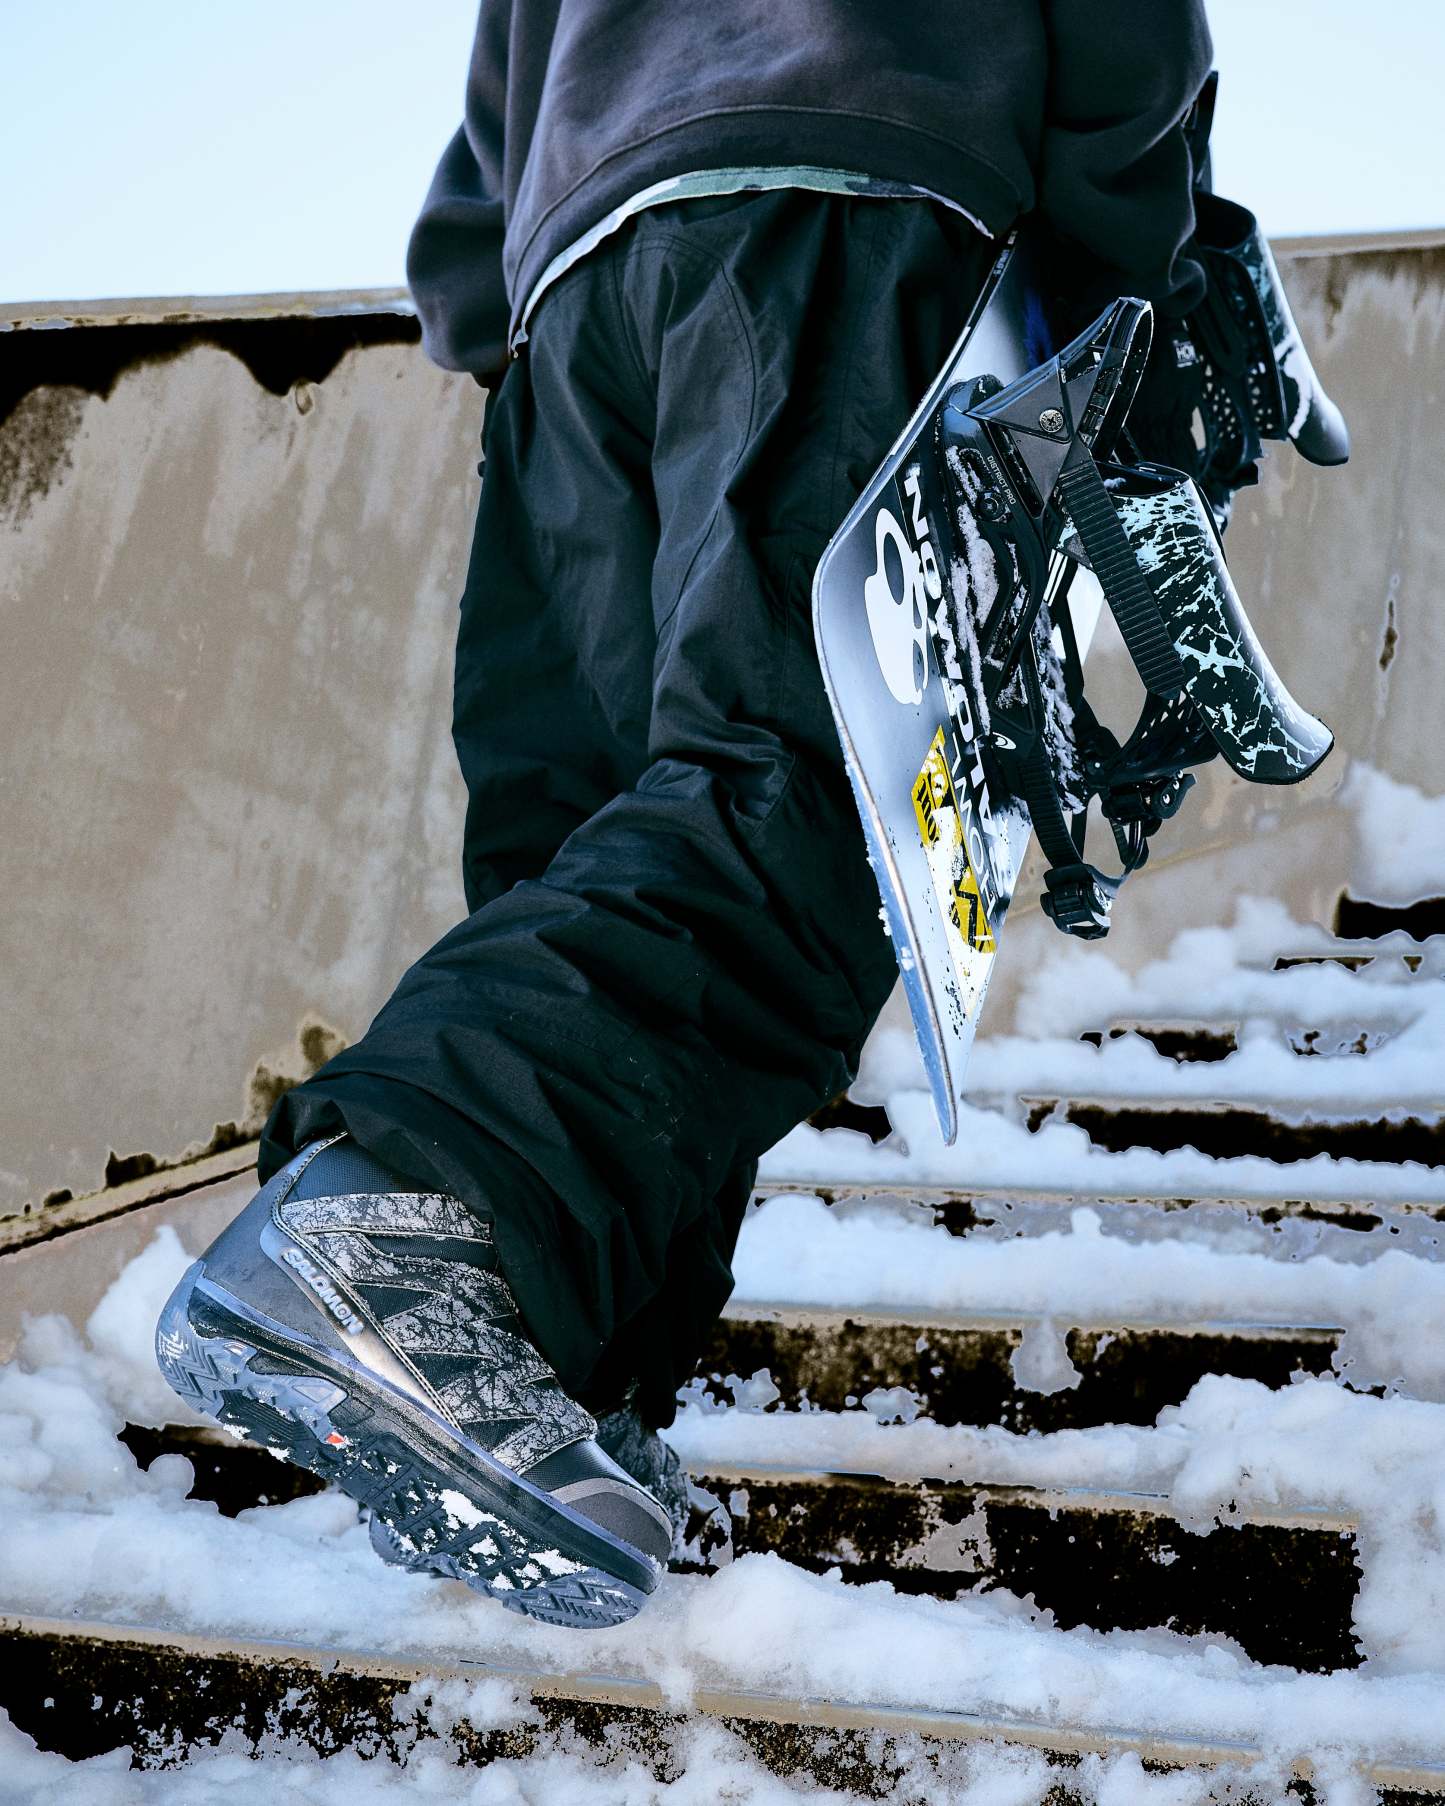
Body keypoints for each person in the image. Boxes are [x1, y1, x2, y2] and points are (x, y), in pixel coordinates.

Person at [156, 0, 1213, 1628]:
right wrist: (1111, 282)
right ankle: (404, 1232)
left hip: (573, 286)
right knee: (818, 802)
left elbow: (499, 93)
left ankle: (529, 1355)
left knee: (604, 838)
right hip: (861, 198)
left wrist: (512, 299)